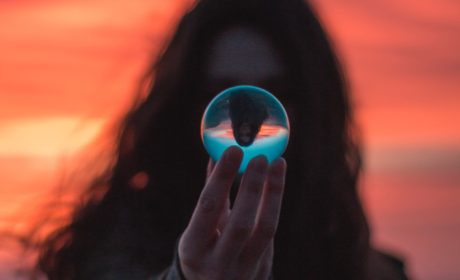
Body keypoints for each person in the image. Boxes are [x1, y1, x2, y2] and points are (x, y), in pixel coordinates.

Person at [35, 0, 409, 279]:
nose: (247, 119)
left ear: (313, 106)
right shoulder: (112, 247)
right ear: (183, 105)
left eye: (274, 93)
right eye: (224, 94)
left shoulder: (365, 267)